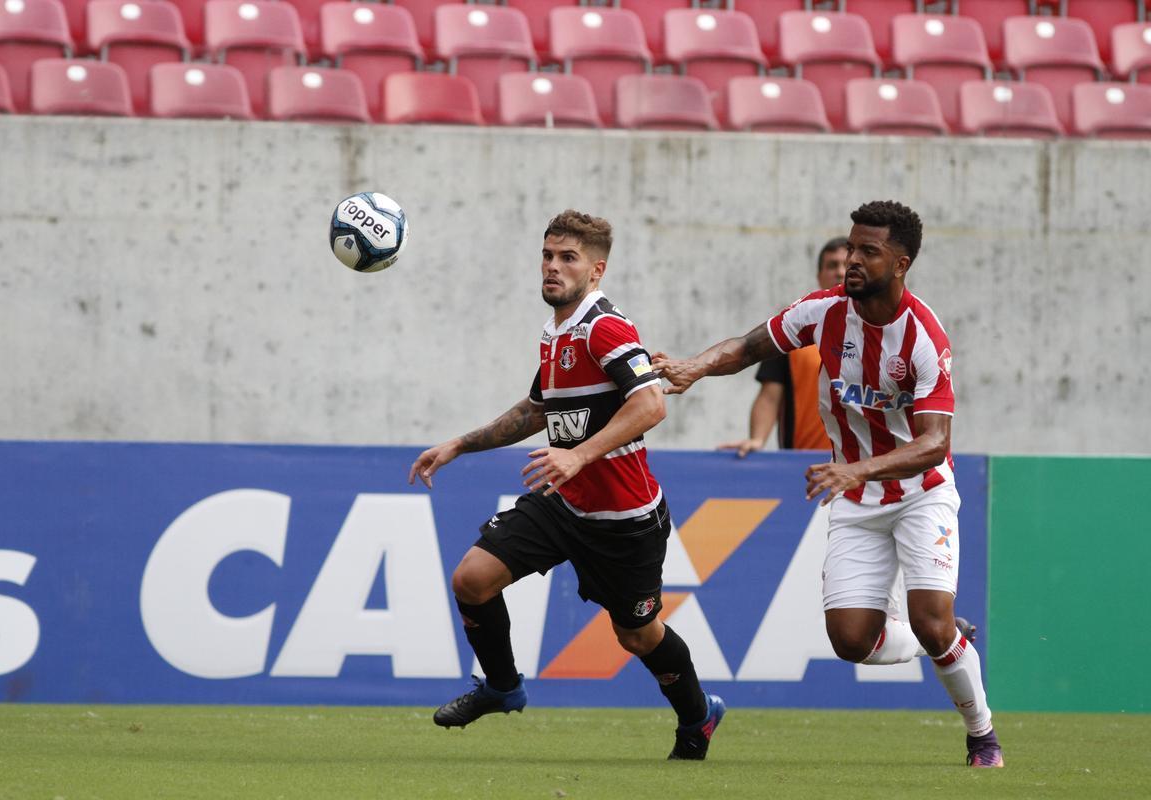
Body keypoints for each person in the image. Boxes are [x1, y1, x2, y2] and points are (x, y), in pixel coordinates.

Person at [652, 201, 1004, 768]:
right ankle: (939, 633)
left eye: (868, 251)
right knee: (849, 641)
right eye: (850, 247)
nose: (851, 261)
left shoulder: (922, 337)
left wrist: (856, 468)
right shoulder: (822, 312)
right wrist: (695, 365)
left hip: (921, 492)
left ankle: (982, 735)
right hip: (858, 497)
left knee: (931, 620)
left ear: (902, 262)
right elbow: (748, 348)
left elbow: (935, 443)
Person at [408, 210, 725, 761]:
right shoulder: (555, 332)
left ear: (596, 269)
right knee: (472, 580)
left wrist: (578, 455)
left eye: (568, 258)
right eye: (548, 256)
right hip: (565, 504)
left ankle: (698, 717)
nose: (553, 267)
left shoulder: (605, 326)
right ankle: (504, 687)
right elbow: (535, 411)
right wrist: (459, 444)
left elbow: (650, 403)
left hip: (624, 519)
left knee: (637, 636)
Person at [719, 237, 847, 457]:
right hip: (806, 465)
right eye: (832, 265)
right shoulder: (795, 329)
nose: (840, 272)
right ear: (819, 276)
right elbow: (770, 395)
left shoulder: (883, 331)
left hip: (866, 465)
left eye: (848, 265)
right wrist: (757, 439)